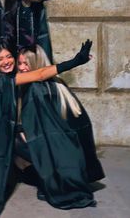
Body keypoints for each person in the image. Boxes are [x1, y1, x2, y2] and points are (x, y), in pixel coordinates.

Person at [0, 39, 97, 217]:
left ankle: (45, 177)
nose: (6, 61)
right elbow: (40, 74)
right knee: (26, 147)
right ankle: (49, 179)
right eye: (0, 59)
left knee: (22, 141)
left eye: (9, 56)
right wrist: (75, 61)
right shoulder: (1, 80)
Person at [16, 44, 105, 192]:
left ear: (38, 65)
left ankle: (41, 176)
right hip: (84, 170)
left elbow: (40, 135)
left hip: (64, 167)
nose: (22, 68)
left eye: (27, 63)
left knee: (11, 137)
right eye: (19, 63)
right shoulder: (58, 85)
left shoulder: (36, 90)